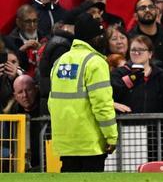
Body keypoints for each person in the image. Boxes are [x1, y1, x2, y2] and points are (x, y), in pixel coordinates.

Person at [47, 12, 117, 171]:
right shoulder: (95, 62)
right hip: (89, 143)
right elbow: (102, 105)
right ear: (94, 38)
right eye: (100, 35)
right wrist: (111, 136)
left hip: (65, 144)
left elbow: (53, 102)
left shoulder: (61, 61)